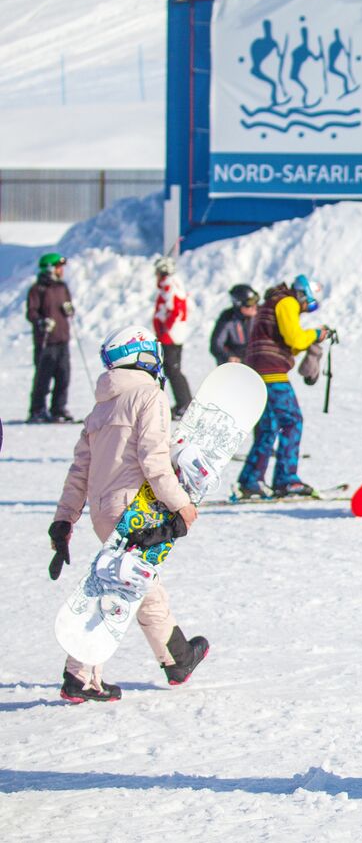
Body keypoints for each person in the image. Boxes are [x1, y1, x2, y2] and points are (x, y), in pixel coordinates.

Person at [47, 326, 209, 703]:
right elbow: (153, 460)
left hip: (102, 510)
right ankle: (78, 675)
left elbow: (79, 473)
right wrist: (179, 504)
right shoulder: (148, 396)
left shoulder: (99, 409)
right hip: (135, 509)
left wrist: (63, 520)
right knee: (120, 590)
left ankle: (177, 658)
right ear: (144, 357)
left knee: (134, 584)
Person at [237, 274, 333, 497]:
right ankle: (286, 479)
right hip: (272, 373)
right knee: (292, 421)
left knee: (268, 428)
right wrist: (316, 333)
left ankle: (251, 481)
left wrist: (311, 341)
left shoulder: (270, 303)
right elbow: (296, 339)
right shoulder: (287, 302)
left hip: (256, 372)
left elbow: (287, 343)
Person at [26, 252, 75, 423]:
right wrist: (41, 321)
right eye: (58, 267)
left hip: (62, 338)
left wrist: (69, 309)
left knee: (64, 375)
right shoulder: (38, 289)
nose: (61, 270)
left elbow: (69, 306)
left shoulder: (62, 287)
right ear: (49, 268)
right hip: (46, 341)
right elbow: (31, 312)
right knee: (43, 377)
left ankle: (58, 409)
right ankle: (37, 410)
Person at [152, 256, 193, 418]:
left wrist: (165, 329)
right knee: (172, 369)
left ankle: (184, 403)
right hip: (171, 335)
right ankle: (183, 402)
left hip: (170, 336)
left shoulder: (170, 286)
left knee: (172, 369)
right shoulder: (172, 285)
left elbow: (175, 311)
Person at [210, 284, 260, 365]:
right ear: (239, 305)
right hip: (235, 364)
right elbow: (216, 345)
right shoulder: (227, 318)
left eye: (256, 301)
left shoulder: (261, 314)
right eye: (249, 304)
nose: (255, 306)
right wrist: (228, 357)